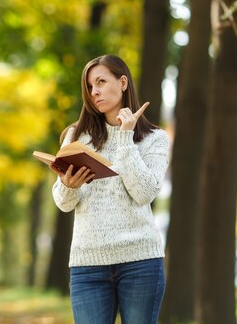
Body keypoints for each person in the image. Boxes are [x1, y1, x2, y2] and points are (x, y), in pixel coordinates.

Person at [50, 54, 169, 324]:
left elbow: (144, 193)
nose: (95, 92)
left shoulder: (155, 139)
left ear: (123, 82)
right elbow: (64, 202)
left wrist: (125, 137)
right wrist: (69, 186)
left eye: (101, 82)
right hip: (87, 265)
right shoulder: (76, 137)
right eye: (90, 87)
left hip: (140, 262)